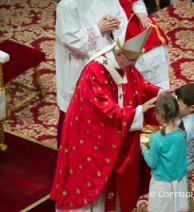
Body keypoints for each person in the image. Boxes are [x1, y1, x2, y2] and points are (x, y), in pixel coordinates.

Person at [50, 14, 175, 212]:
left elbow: (139, 84)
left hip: (113, 135)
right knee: (93, 182)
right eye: (132, 60)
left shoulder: (125, 64)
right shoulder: (95, 71)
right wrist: (139, 110)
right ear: (119, 54)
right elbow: (104, 110)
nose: (134, 65)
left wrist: (159, 92)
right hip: (91, 137)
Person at [56, 0, 170, 147]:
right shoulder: (67, 5)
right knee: (83, 111)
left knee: (106, 107)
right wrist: (98, 30)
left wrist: (113, 27)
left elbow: (121, 21)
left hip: (107, 58)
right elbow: (69, 40)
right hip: (80, 64)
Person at [140, 94, 189, 212]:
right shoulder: (182, 131)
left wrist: (144, 150)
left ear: (160, 116)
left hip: (161, 183)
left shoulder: (155, 138)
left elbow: (153, 163)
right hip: (180, 180)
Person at [175, 83, 194, 212]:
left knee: (185, 198)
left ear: (192, 107)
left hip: (183, 168)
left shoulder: (187, 127)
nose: (176, 106)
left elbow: (176, 148)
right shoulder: (184, 116)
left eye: (180, 105)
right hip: (181, 164)